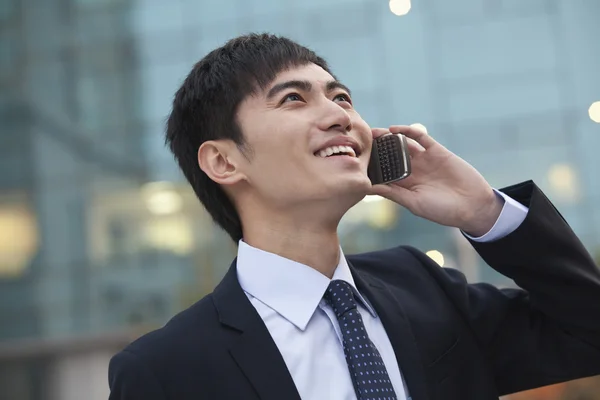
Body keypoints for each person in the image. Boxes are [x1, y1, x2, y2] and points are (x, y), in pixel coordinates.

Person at [108, 33, 600, 400]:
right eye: (293, 99)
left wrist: (483, 212)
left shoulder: (423, 287)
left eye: (341, 97)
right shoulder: (164, 371)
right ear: (223, 160)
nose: (341, 115)